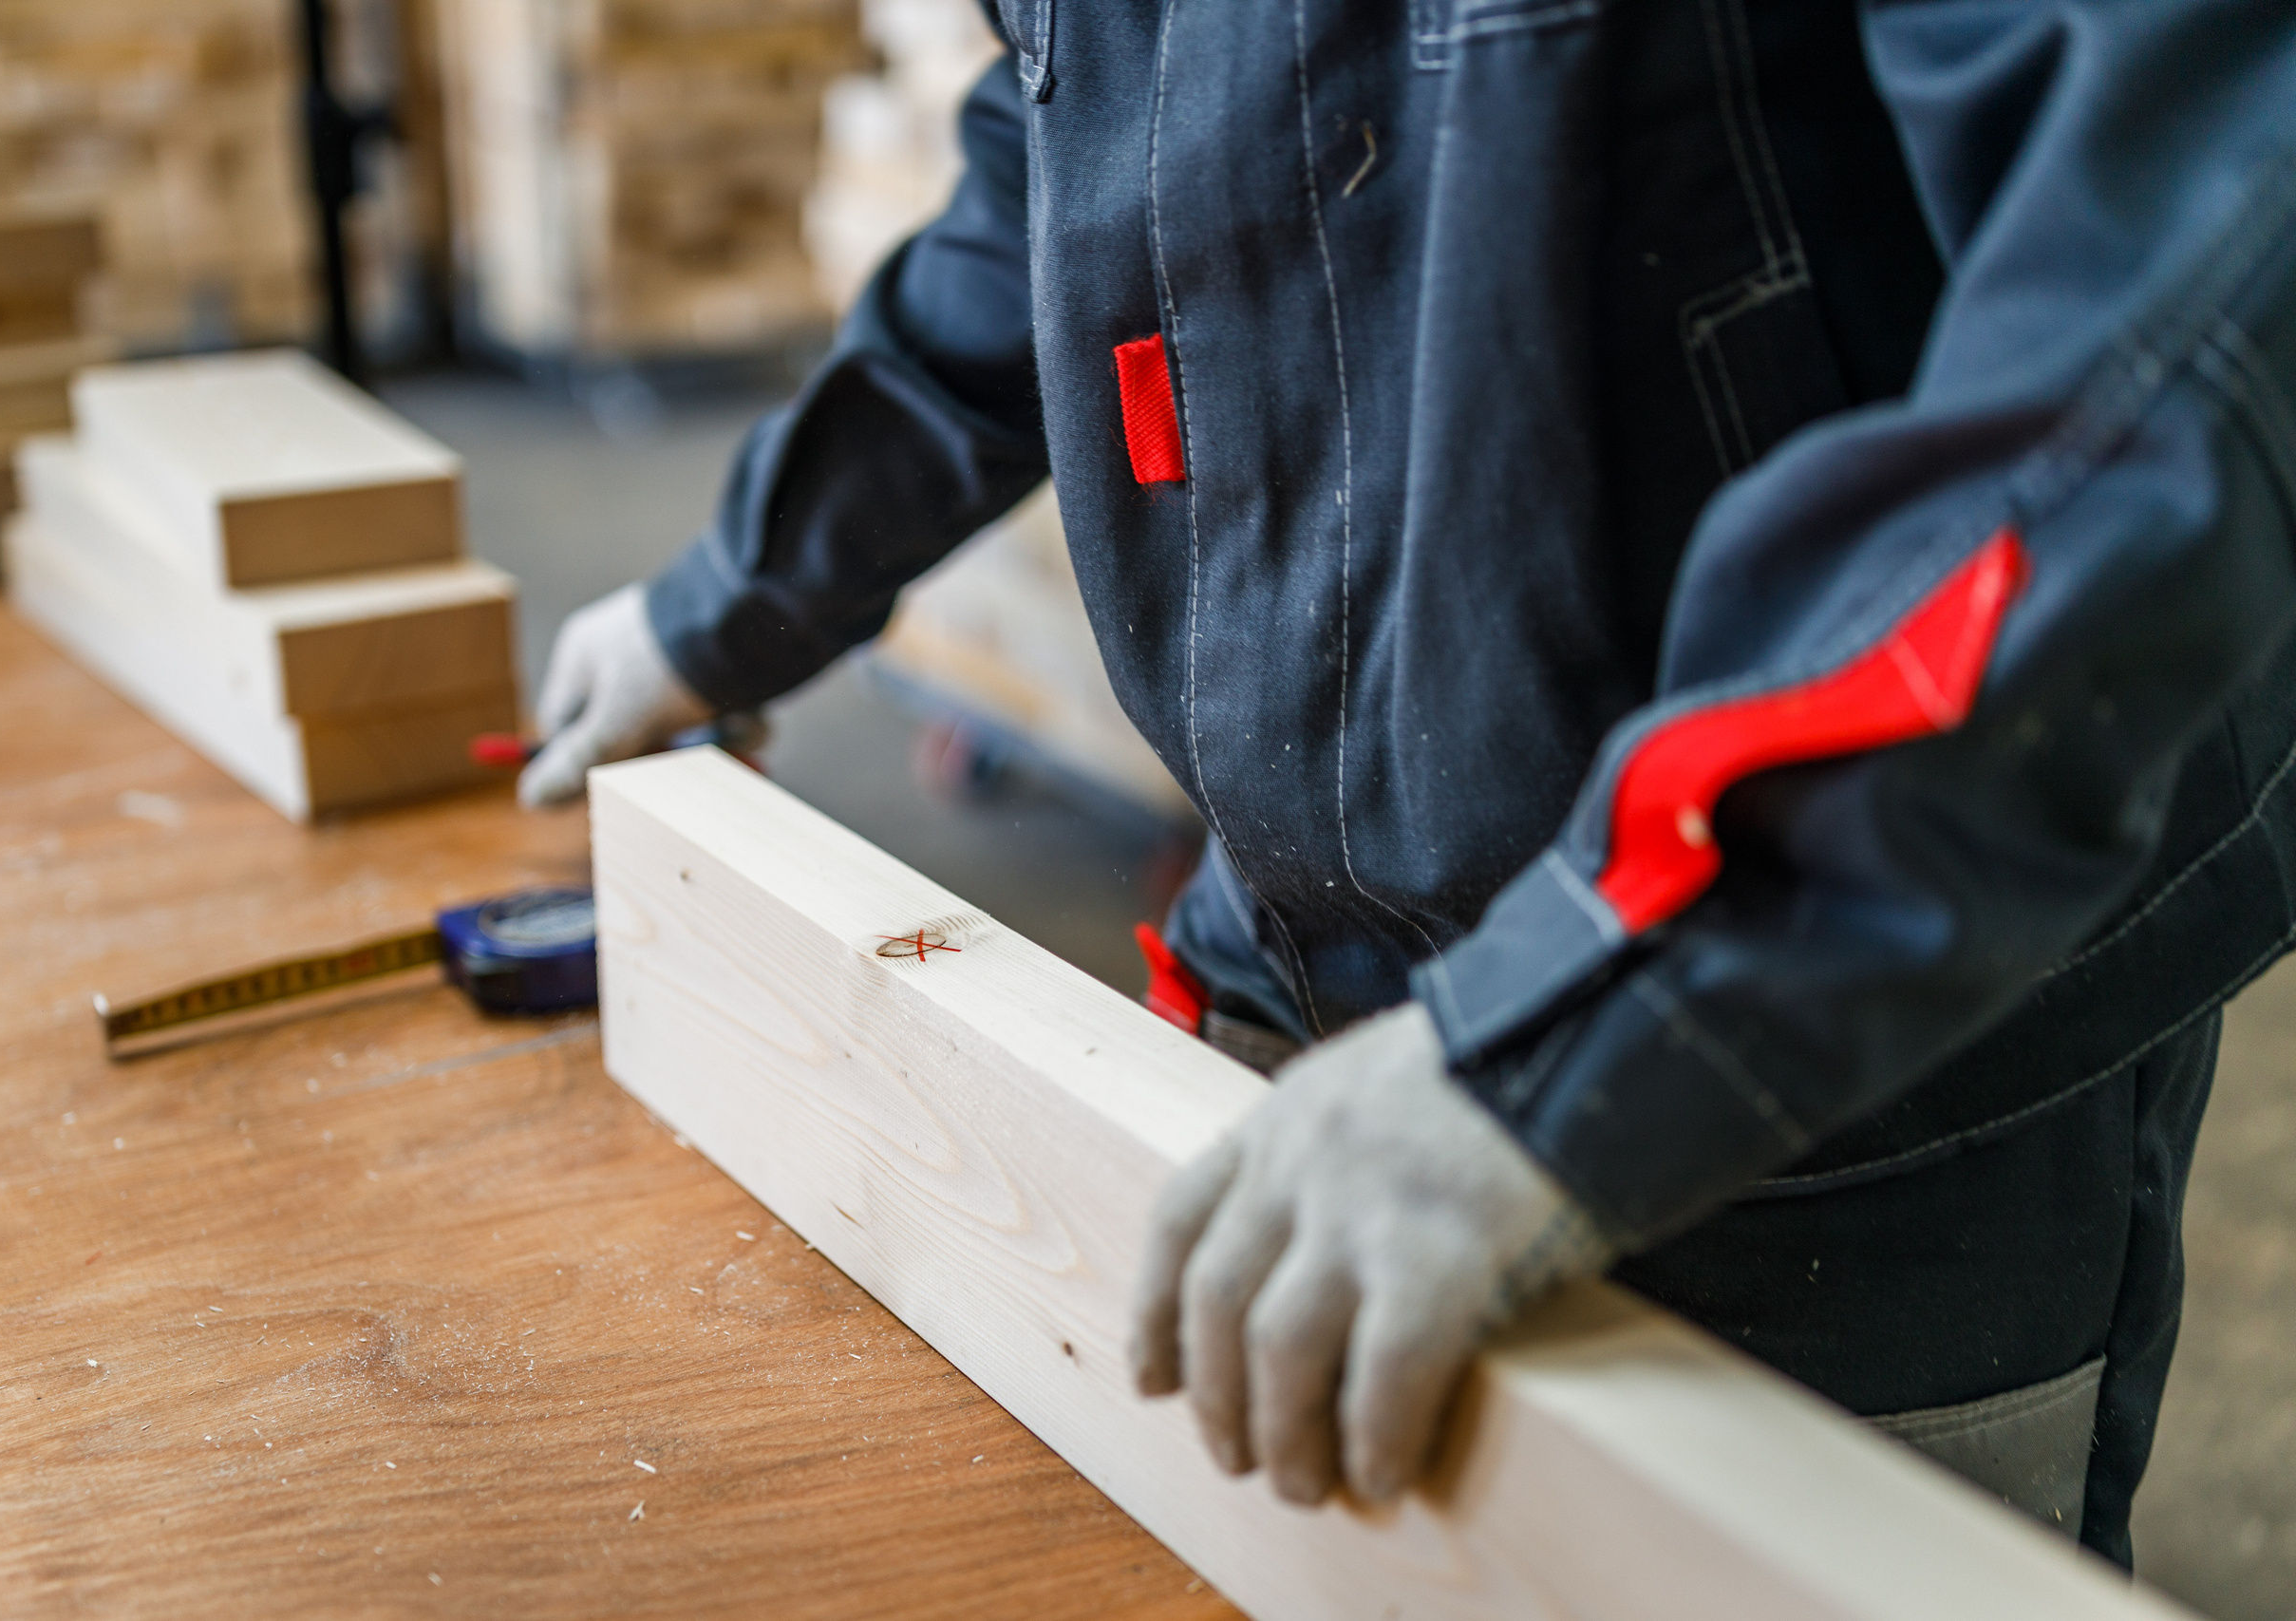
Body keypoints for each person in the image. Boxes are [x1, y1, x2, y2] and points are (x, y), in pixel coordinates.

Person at [520, 0, 2296, 1568]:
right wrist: (738, 591)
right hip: (1310, 980)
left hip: (1838, 1057)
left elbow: (2178, 305)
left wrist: (1588, 1031)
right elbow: (1075, 144)